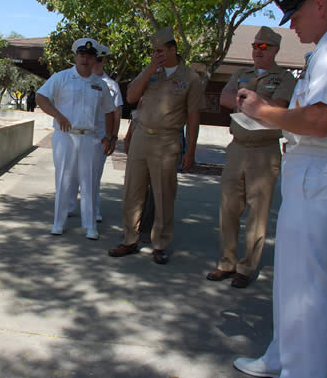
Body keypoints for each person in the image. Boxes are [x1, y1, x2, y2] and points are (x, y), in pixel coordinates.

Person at [232, 0, 327, 378]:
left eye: (295, 14)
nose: (291, 25)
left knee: (307, 288)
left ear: (321, 6)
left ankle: (304, 371)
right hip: (308, 168)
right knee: (292, 282)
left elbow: (320, 119)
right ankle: (281, 357)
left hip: (317, 169)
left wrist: (263, 112)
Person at [207, 26, 296, 289]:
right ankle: (227, 262)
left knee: (258, 212)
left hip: (264, 150)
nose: (257, 51)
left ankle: (246, 266)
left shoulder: (285, 78)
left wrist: (253, 103)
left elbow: (278, 107)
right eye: (255, 46)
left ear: (275, 50)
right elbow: (224, 98)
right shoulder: (240, 73)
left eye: (264, 47)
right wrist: (256, 104)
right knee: (229, 208)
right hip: (238, 147)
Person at [108, 27, 204, 264]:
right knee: (133, 191)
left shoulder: (190, 78)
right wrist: (151, 68)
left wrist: (190, 150)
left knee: (164, 195)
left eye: (161, 51)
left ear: (173, 49)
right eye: (154, 51)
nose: (157, 55)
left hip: (167, 140)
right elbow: (131, 98)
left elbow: (193, 117)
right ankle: (129, 239)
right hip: (141, 136)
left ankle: (160, 244)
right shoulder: (150, 71)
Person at [36, 38, 116, 240]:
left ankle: (90, 226)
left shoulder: (100, 85)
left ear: (94, 59)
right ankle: (58, 223)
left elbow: (109, 111)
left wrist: (108, 136)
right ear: (76, 56)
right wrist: (58, 115)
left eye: (90, 56)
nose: (85, 59)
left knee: (88, 182)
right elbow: (41, 97)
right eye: (82, 55)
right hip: (65, 137)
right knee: (63, 180)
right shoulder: (61, 77)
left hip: (89, 138)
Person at [67, 43, 123, 222]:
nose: (96, 63)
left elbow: (116, 113)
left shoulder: (112, 85)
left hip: (100, 137)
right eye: (93, 59)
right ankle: (69, 205)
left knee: (94, 175)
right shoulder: (78, 79)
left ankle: (93, 209)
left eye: (99, 59)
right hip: (77, 134)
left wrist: (113, 137)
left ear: (104, 60)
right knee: (73, 171)